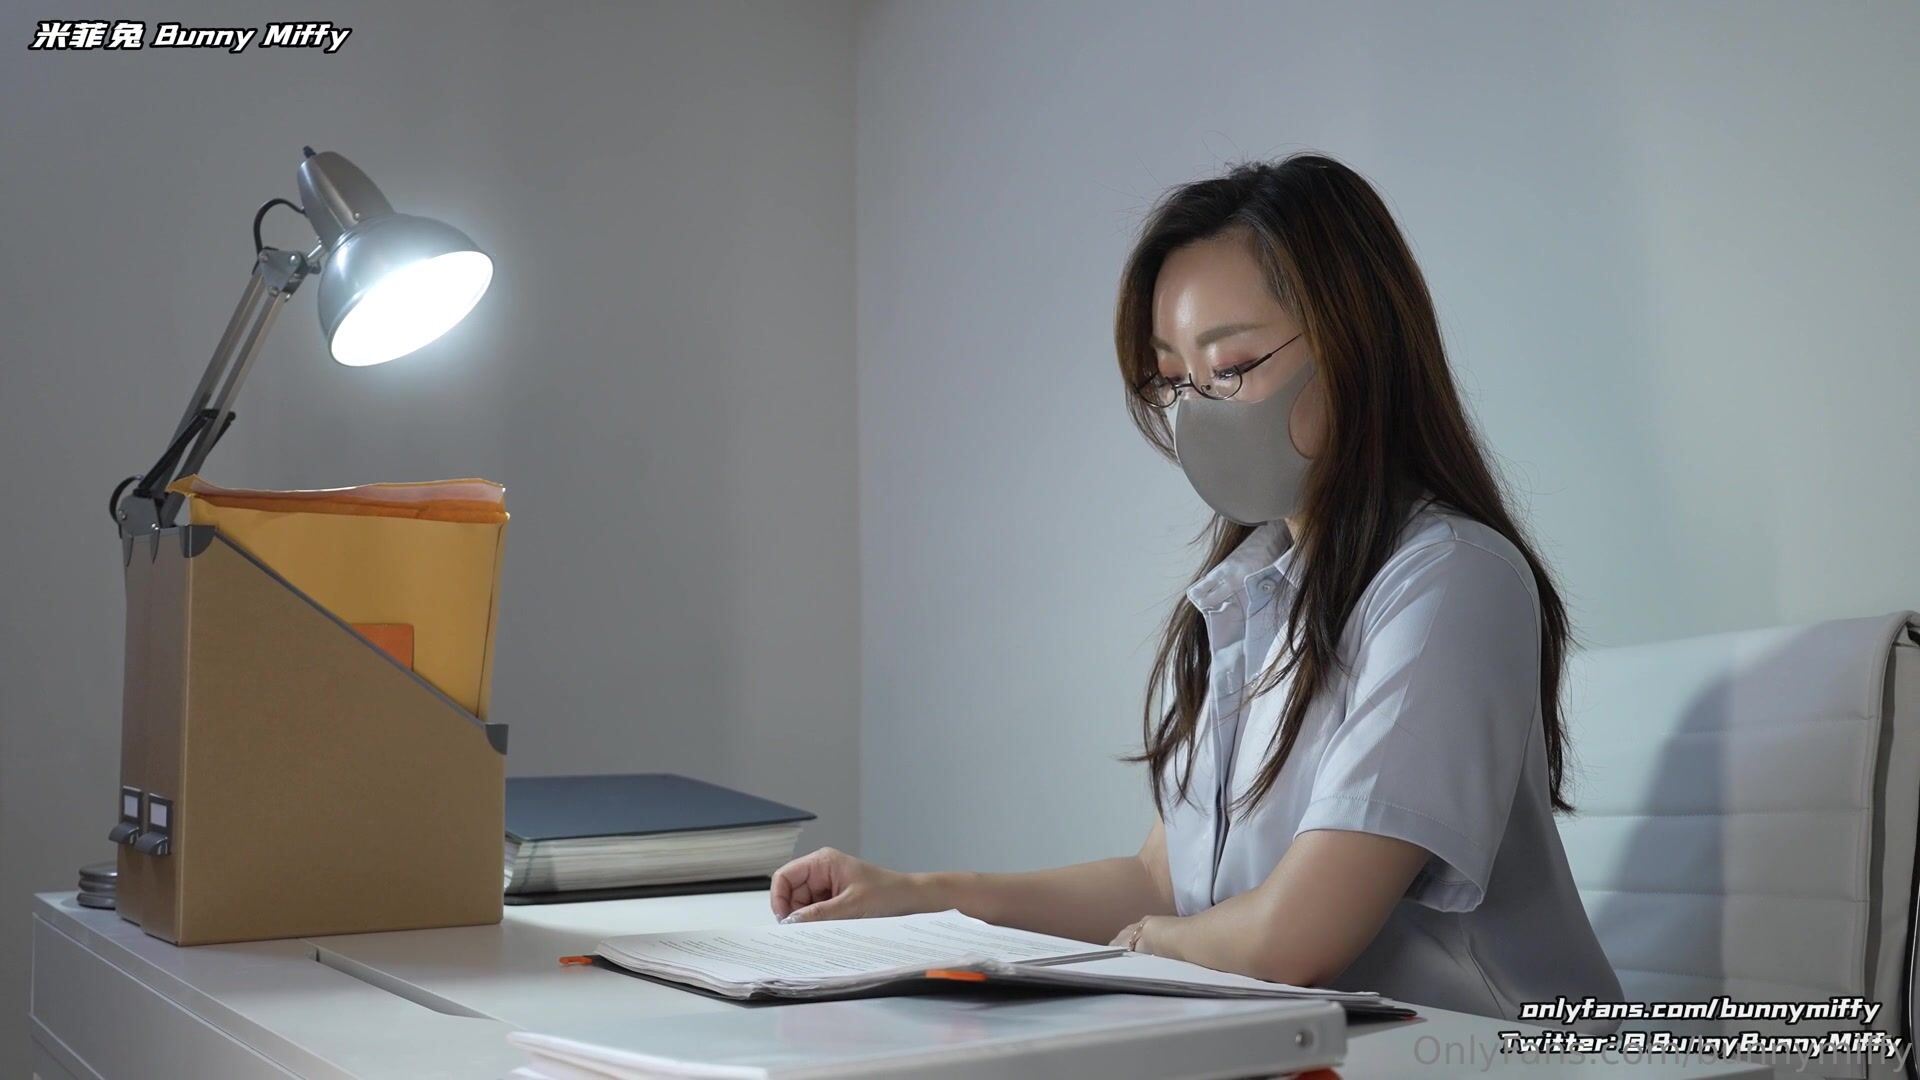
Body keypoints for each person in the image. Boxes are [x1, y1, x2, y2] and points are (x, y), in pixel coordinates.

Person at [769, 153, 1624, 1032]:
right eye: (1175, 381)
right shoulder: (1255, 595)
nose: (1196, 413)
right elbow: (1160, 880)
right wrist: (915, 896)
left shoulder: (1451, 579)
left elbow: (1293, 939)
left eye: (1233, 366)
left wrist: (1144, 950)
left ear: (1357, 344)